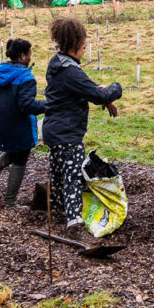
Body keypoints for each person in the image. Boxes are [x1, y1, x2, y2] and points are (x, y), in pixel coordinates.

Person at [42, 18, 122, 237]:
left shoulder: (57, 63)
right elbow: (98, 95)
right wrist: (116, 88)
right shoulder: (71, 71)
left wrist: (97, 91)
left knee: (58, 175)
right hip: (67, 133)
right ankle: (74, 224)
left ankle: (55, 213)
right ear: (75, 44)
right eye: (84, 47)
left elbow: (81, 89)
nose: (85, 51)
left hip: (53, 130)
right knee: (73, 177)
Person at [0, 37, 45, 206]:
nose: (30, 57)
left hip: (0, 123)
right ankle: (10, 200)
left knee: (14, 152)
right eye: (29, 54)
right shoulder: (26, 78)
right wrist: (50, 105)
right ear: (21, 56)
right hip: (19, 124)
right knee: (21, 157)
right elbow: (27, 105)